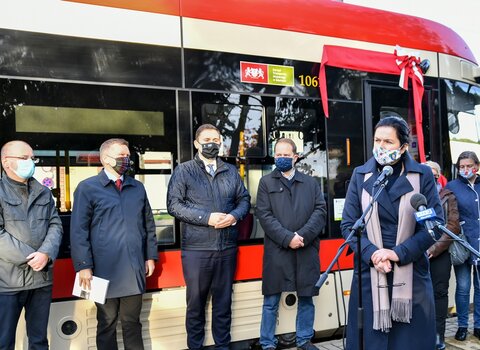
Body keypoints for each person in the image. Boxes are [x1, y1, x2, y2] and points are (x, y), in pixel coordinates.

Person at [341, 116, 442, 349]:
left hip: (411, 269)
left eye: (388, 141)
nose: (381, 146)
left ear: (404, 146)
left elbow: (433, 226)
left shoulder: (422, 175)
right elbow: (348, 225)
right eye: (377, 140)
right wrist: (374, 254)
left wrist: (397, 253)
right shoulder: (360, 175)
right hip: (370, 271)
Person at [167, 124, 250, 350]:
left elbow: (244, 200)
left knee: (224, 305)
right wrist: (207, 218)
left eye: (216, 139)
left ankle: (222, 347)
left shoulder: (230, 171)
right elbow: (173, 205)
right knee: (196, 306)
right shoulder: (184, 171)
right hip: (196, 251)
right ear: (196, 143)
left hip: (227, 248)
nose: (212, 143)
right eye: (207, 139)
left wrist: (233, 217)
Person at [70, 138, 158, 350]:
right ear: (105, 159)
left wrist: (150, 256)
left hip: (134, 268)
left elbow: (149, 225)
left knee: (131, 323)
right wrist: (83, 266)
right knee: (107, 324)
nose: (126, 160)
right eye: (121, 156)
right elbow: (78, 230)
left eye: (128, 156)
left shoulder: (137, 187)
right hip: (101, 272)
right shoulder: (87, 188)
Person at [256, 138, 327, 350]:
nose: (282, 158)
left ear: (295, 157)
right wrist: (288, 238)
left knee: (306, 298)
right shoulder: (265, 183)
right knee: (271, 301)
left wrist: (302, 236)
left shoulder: (310, 183)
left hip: (306, 250)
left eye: (286, 155)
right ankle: (267, 343)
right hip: (277, 251)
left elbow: (320, 211)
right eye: (278, 155)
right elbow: (264, 215)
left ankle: (304, 340)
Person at [0, 140, 63, 350]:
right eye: (24, 158)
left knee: (39, 342)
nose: (31, 162)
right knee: (4, 342)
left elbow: (55, 224)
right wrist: (32, 257)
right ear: (6, 162)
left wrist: (45, 253)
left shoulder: (43, 191)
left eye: (32, 158)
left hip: (41, 280)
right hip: (7, 283)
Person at [424, 161, 460, 350]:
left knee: (439, 295)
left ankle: (438, 339)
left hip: (439, 254)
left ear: (439, 175)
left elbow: (453, 226)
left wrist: (433, 249)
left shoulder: (448, 196)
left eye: (434, 173)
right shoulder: (413, 195)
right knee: (419, 296)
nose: (430, 176)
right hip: (417, 254)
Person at [445, 151, 480, 341]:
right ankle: (462, 326)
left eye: (469, 166)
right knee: (464, 286)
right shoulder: (452, 186)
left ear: (477, 165)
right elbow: (446, 214)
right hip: (462, 246)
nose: (465, 170)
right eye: (462, 167)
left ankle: (479, 326)